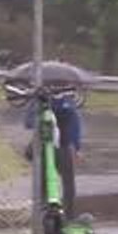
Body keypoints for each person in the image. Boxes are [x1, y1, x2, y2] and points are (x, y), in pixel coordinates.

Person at [24, 85, 84, 218]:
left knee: (50, 183)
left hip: (53, 147)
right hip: (55, 147)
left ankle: (47, 212)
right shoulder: (67, 104)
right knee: (64, 184)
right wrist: (77, 148)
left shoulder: (40, 101)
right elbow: (75, 127)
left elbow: (28, 123)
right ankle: (63, 214)